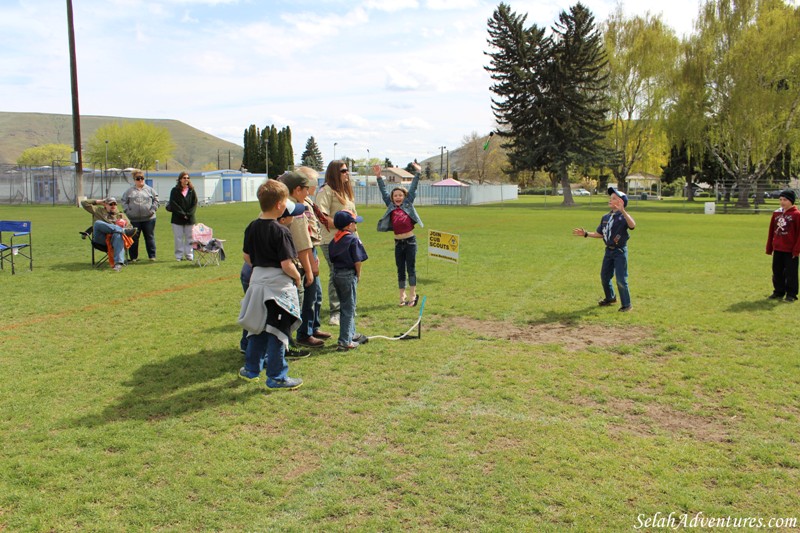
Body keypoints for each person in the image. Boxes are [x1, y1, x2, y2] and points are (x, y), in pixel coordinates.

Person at [237, 180, 304, 390]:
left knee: (258, 328)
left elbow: (246, 256)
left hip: (257, 283)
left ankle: (251, 369)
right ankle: (276, 376)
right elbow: (286, 264)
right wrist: (297, 276)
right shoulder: (281, 231)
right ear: (278, 205)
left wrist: (260, 268)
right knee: (277, 331)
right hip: (276, 289)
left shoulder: (252, 226)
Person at [280, 169, 332, 349]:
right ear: (297, 189)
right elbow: (302, 241)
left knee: (315, 294)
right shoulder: (293, 207)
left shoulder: (301, 202)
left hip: (308, 252)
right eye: (306, 187)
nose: (311, 188)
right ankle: (303, 334)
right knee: (306, 296)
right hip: (301, 256)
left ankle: (311, 327)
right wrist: (309, 267)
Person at [572, 187, 636, 312]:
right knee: (605, 276)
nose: (610, 200)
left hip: (620, 252)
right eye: (610, 198)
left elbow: (633, 225)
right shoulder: (605, 217)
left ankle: (627, 305)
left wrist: (623, 211)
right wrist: (586, 234)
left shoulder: (624, 217)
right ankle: (610, 298)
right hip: (609, 251)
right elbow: (600, 234)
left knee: (621, 279)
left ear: (621, 202)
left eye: (614, 198)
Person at [315, 160, 358, 326]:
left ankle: (348, 306)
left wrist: (355, 237)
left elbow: (352, 216)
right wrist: (342, 225)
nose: (347, 173)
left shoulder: (346, 192)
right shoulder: (326, 191)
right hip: (332, 240)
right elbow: (321, 217)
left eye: (347, 170)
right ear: (334, 173)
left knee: (350, 272)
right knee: (336, 273)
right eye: (343, 170)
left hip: (349, 239)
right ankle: (336, 311)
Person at [375, 162, 424, 307]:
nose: (397, 197)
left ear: (404, 196)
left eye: (400, 195)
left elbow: (413, 187)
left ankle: (412, 295)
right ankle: (402, 297)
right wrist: (378, 177)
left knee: (411, 269)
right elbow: (383, 191)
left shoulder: (408, 203)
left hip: (410, 241)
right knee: (400, 270)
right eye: (395, 195)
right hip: (398, 243)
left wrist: (418, 173)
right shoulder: (390, 205)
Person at [328, 210, 368, 351]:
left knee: (345, 305)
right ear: (350, 225)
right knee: (348, 308)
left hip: (336, 275)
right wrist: (358, 274)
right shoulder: (352, 239)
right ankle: (345, 341)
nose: (356, 225)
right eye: (355, 223)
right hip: (347, 275)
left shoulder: (334, 240)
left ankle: (351, 334)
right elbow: (357, 260)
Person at [80, 196, 137, 271]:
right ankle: (121, 230)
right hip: (101, 239)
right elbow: (84, 203)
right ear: (105, 205)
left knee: (118, 235)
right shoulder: (98, 210)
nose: (113, 206)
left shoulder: (121, 216)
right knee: (97, 223)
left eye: (115, 204)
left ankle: (118, 264)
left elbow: (130, 228)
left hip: (114, 240)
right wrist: (99, 201)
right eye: (110, 204)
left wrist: (124, 225)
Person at [766, 189, 800, 302]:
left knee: (791, 273)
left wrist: (796, 250)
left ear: (791, 201)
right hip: (778, 248)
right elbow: (772, 231)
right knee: (777, 271)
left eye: (785, 200)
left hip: (790, 250)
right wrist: (770, 248)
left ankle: (791, 294)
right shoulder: (776, 214)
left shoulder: (797, 215)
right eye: (780, 199)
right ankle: (778, 291)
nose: (782, 202)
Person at [121, 169, 159, 262]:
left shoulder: (150, 190)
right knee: (134, 238)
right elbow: (123, 201)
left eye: (142, 178)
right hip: (134, 219)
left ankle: (152, 256)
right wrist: (128, 211)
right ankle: (133, 257)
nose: (140, 180)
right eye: (138, 178)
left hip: (149, 218)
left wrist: (153, 210)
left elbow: (156, 200)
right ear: (134, 180)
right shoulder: (129, 191)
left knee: (149, 237)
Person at [169, 171, 198, 261]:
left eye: (188, 178)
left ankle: (189, 255)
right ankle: (179, 255)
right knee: (178, 238)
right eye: (184, 178)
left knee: (190, 238)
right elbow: (173, 204)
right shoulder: (174, 190)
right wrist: (182, 214)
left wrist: (188, 214)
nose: (186, 179)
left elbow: (194, 203)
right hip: (177, 219)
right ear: (180, 179)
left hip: (189, 219)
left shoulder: (192, 191)